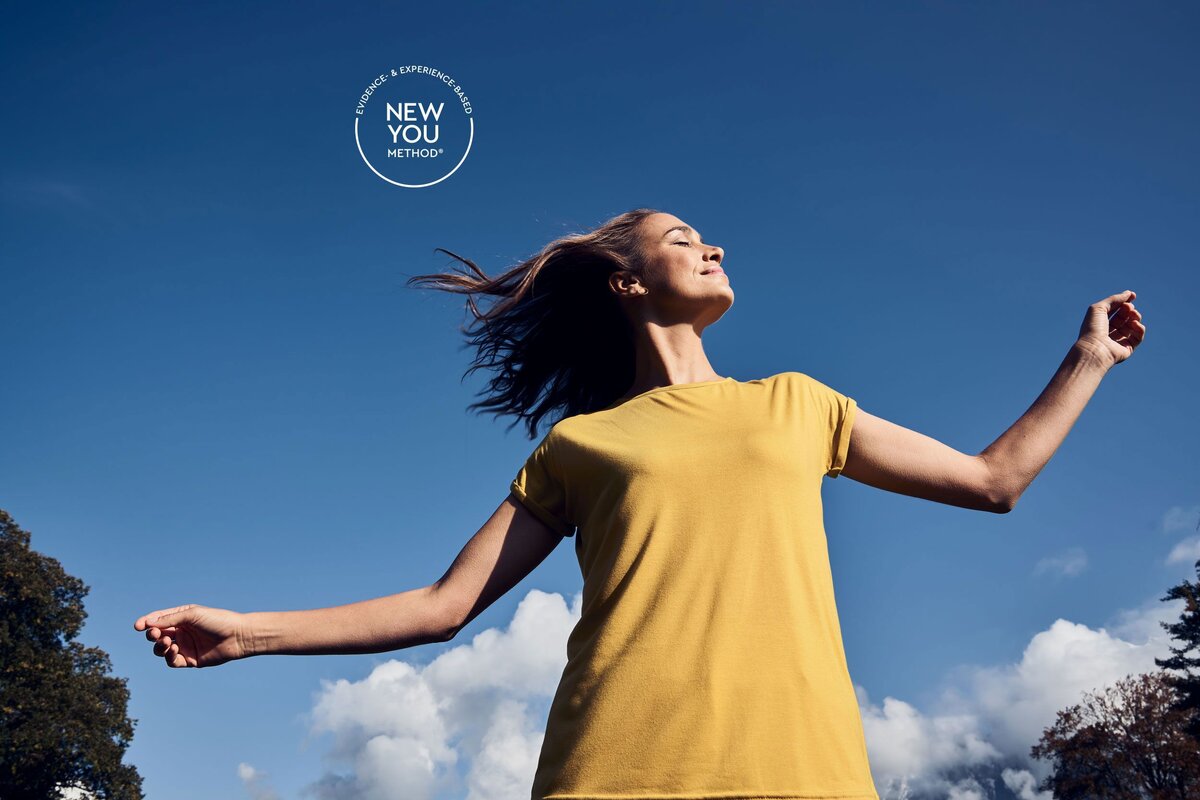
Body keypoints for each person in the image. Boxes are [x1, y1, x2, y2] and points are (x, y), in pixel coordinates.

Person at [133, 208, 1146, 799]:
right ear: (626, 282)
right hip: (613, 774)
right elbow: (443, 606)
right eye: (683, 237)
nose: (713, 247)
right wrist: (250, 633)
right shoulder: (581, 443)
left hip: (806, 773)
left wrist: (1087, 357)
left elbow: (994, 480)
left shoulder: (801, 402)